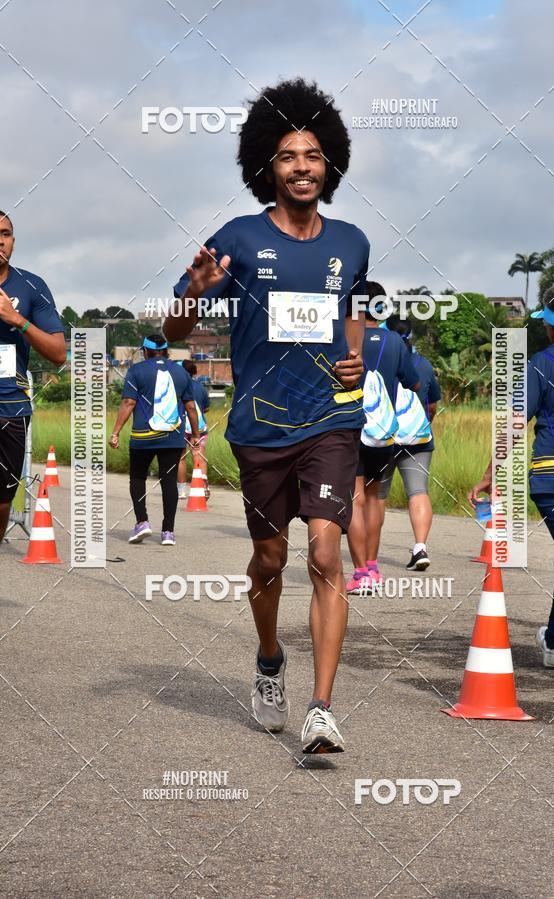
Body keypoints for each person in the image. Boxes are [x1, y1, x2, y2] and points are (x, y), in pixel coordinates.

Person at [164, 78, 369, 753]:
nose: (302, 166)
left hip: (331, 422)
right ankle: (271, 659)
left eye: (312, 154)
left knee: (323, 551)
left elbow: (350, 321)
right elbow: (173, 329)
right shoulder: (240, 238)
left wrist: (354, 362)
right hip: (260, 428)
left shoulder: (351, 243)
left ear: (329, 162)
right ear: (266, 166)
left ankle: (321, 708)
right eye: (287, 155)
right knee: (271, 558)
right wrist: (193, 297)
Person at [469, 282, 554, 687]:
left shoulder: (540, 364)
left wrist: (491, 475)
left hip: (553, 478)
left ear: (553, 327)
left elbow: (511, 426)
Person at [346, 282, 419, 594]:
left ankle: (360, 572)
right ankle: (374, 568)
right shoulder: (394, 342)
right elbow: (414, 384)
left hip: (351, 429)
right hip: (385, 434)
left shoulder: (345, 338)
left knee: (354, 498)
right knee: (375, 499)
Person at [0, 211, 66, 544]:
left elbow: (58, 353)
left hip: (10, 408)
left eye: (6, 233)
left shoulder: (31, 286)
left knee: (2, 503)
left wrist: (17, 319)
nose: (0, 240)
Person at [109, 335, 201, 546]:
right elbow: (190, 407)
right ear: (166, 351)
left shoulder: (136, 371)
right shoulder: (181, 372)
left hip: (143, 436)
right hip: (172, 437)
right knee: (169, 482)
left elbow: (128, 402)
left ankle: (142, 522)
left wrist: (115, 432)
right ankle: (168, 531)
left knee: (138, 478)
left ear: (146, 351)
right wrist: (195, 435)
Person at [378, 316, 441, 571]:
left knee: (376, 497)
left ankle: (370, 551)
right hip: (417, 439)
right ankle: (420, 547)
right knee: (418, 492)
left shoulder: (379, 358)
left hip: (382, 438)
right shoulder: (423, 365)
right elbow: (433, 405)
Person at [176, 359, 210, 500]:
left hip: (181, 426)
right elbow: (206, 408)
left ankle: (182, 491)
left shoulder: (177, 387)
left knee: (181, 457)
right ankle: (203, 487)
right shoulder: (201, 388)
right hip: (199, 427)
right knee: (200, 457)